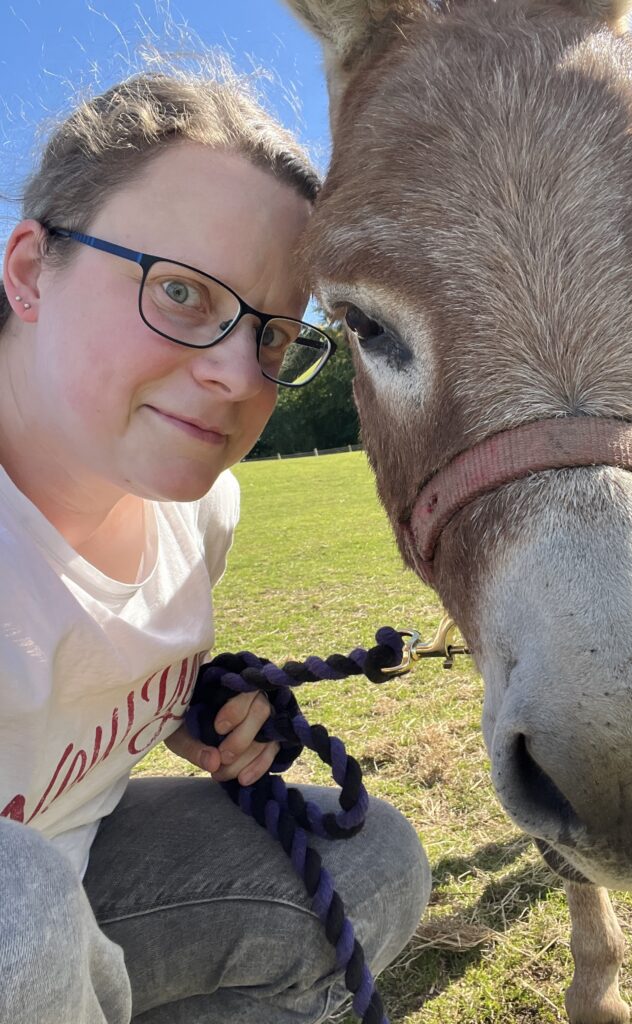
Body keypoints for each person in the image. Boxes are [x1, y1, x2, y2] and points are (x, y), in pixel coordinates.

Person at [0, 64, 431, 1024]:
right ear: (31, 271)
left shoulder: (201, 511)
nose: (240, 377)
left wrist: (181, 711)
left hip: (84, 896)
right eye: (184, 294)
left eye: (275, 337)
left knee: (373, 869)